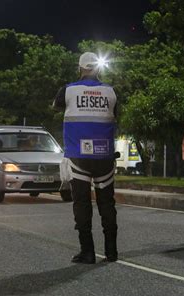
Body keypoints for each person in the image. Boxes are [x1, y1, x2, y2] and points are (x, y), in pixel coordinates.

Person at [52, 52, 118, 264]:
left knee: (82, 204)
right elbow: (118, 113)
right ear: (98, 69)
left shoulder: (68, 90)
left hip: (79, 157)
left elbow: (56, 106)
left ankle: (87, 252)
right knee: (107, 204)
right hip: (104, 156)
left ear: (80, 68)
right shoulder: (111, 91)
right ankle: (111, 252)